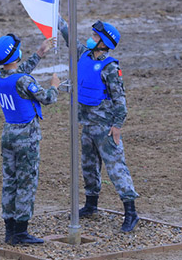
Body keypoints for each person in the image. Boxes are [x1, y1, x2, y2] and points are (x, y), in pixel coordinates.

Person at [58, 18, 140, 232]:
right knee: (88, 166)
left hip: (105, 128)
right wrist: (59, 22)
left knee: (116, 168)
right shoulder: (84, 55)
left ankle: (130, 212)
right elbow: (70, 38)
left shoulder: (110, 67)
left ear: (104, 43)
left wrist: (117, 125)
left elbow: (120, 99)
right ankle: (91, 204)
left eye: (95, 36)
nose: (91, 38)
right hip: (86, 124)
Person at [0, 34, 60, 245]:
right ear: (15, 54)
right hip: (26, 137)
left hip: (8, 134)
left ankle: (10, 231)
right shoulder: (24, 81)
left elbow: (18, 76)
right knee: (26, 183)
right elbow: (47, 98)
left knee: (10, 183)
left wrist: (40, 53)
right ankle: (21, 232)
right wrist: (55, 86)